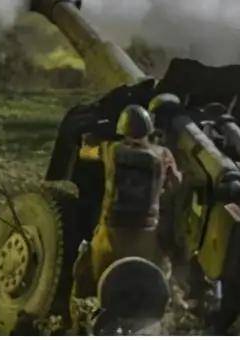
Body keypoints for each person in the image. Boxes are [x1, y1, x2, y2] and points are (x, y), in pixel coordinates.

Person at [71, 104, 182, 319]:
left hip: (111, 234)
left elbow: (85, 153)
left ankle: (77, 318)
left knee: (85, 273)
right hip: (147, 236)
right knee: (161, 279)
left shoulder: (111, 149)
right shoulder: (163, 154)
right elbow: (176, 182)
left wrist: (88, 139)